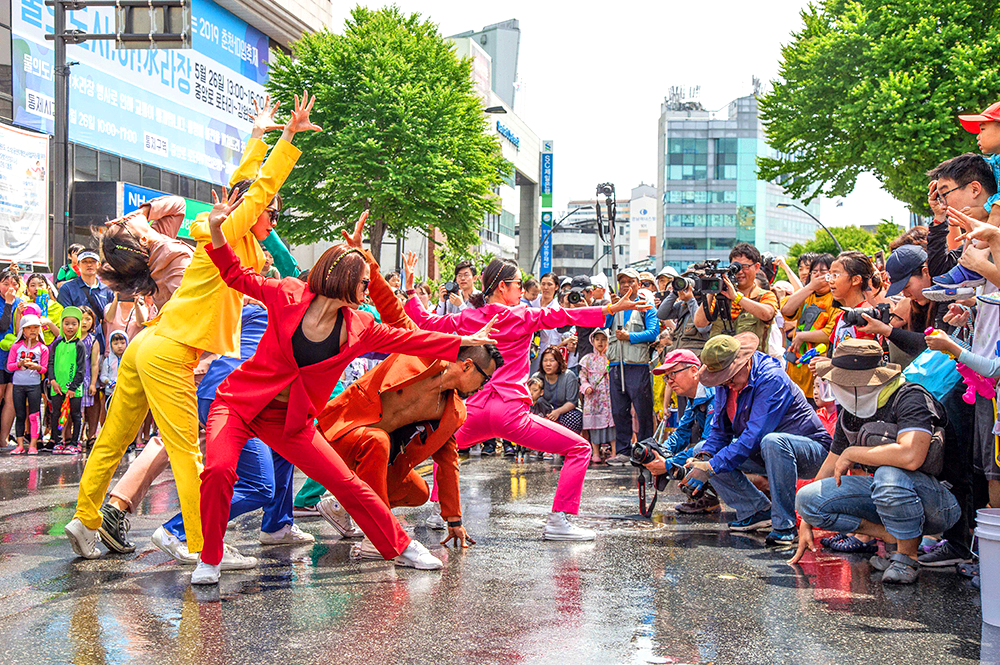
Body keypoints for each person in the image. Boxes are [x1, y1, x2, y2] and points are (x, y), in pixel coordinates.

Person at [64, 93, 309, 562]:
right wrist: (289, 138)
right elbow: (255, 189)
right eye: (271, 211)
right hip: (170, 352)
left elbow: (243, 186)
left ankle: (84, 519)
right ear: (252, 210)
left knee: (113, 440)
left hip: (149, 345)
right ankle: (203, 548)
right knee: (185, 454)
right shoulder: (229, 231)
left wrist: (259, 135)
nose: (274, 217)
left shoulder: (222, 231)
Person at [192, 207, 496, 585]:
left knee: (347, 484)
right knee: (219, 470)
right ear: (345, 279)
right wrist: (217, 229)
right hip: (239, 403)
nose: (368, 290)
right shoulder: (287, 294)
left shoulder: (360, 325)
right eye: (365, 282)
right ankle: (209, 558)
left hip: (289, 420)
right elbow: (236, 275)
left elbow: (408, 338)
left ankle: (402, 546)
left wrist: (462, 342)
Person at [405, 257, 652, 541]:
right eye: (518, 284)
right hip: (510, 412)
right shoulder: (522, 315)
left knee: (444, 448)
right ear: (502, 287)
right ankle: (558, 520)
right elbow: (566, 316)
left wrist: (411, 291)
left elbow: (425, 321)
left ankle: (439, 510)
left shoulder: (469, 317)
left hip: (474, 410)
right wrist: (610, 308)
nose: (522, 290)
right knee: (579, 449)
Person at [316, 250, 501, 555]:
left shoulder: (454, 411)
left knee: (418, 491)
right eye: (484, 378)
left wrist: (454, 519)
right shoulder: (423, 351)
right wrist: (367, 259)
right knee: (377, 441)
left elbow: (448, 462)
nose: (484, 386)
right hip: (342, 433)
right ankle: (377, 534)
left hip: (375, 458)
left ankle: (343, 506)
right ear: (467, 366)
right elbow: (393, 310)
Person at [792, 339, 960, 584]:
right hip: (888, 493)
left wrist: (853, 453)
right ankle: (893, 538)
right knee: (808, 498)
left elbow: (911, 456)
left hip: (938, 502)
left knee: (889, 473)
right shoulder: (852, 409)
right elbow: (830, 466)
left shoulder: (910, 397)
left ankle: (907, 557)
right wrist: (805, 521)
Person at [690, 332, 831, 545]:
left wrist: (710, 467)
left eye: (730, 378)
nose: (727, 385)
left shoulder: (771, 378)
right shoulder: (726, 385)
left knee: (772, 442)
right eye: (722, 381)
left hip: (811, 453)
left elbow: (753, 437)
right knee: (702, 449)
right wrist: (703, 458)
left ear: (745, 363)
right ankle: (756, 511)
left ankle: (785, 525)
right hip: (766, 451)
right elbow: (719, 432)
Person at [922, 102, 1000, 300]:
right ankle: (965, 271)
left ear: (975, 188)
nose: (978, 136)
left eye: (983, 129)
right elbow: (939, 269)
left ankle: (967, 270)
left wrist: (981, 265)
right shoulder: (993, 161)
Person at [642, 349, 719, 513]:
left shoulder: (714, 394)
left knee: (700, 451)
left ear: (694, 370)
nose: (669, 381)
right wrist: (658, 451)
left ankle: (759, 490)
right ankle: (708, 499)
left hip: (744, 453)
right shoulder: (694, 397)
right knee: (691, 454)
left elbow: (710, 444)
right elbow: (681, 434)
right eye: (666, 377)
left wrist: (668, 464)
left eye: (673, 374)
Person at [604, 268, 659, 466]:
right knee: (619, 410)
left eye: (630, 281)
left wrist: (630, 337)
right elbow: (604, 325)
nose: (626, 285)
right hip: (616, 364)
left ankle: (645, 449)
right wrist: (612, 308)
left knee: (643, 409)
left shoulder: (645, 305)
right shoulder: (615, 305)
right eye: (623, 282)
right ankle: (623, 451)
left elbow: (653, 332)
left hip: (637, 364)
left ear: (638, 283)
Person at [694, 243, 778, 352]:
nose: (740, 272)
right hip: (719, 359)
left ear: (757, 267)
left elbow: (767, 314)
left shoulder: (765, 295)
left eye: (744, 267)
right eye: (735, 267)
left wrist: (736, 297)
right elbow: (700, 323)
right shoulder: (720, 296)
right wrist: (711, 290)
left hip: (750, 360)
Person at [780, 253, 837, 403]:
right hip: (796, 372)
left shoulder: (837, 298)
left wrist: (802, 336)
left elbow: (830, 333)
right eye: (814, 272)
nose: (818, 275)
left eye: (823, 272)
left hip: (818, 373)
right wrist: (810, 286)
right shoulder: (806, 294)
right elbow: (786, 310)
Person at [56, 251, 113, 355]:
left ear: (98, 265)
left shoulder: (107, 290)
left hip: (99, 344)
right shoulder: (67, 288)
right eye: (85, 262)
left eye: (93, 261)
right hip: (74, 346)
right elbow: (66, 317)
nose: (89, 265)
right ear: (78, 265)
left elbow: (109, 319)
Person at [6, 315, 47, 455]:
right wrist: (19, 364)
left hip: (34, 385)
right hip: (18, 385)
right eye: (28, 327)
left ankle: (33, 445)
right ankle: (20, 444)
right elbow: (9, 366)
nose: (32, 330)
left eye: (35, 327)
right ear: (23, 330)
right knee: (20, 414)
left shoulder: (43, 348)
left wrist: (36, 367)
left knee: (34, 415)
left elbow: (44, 368)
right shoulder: (16, 347)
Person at [47, 307, 86, 455]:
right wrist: (52, 380)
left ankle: (74, 442)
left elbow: (81, 369)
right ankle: (58, 441)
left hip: (74, 389)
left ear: (78, 325)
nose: (70, 327)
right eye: (67, 323)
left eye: (74, 324)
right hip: (57, 387)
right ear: (62, 325)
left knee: (75, 415)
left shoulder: (79, 346)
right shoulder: (57, 344)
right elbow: (51, 363)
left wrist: (73, 387)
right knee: (56, 414)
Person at [579, 328, 614, 464]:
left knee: (612, 424)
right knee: (594, 425)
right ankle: (595, 451)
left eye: (604, 339)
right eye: (597, 339)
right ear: (592, 341)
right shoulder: (587, 359)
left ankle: (614, 451)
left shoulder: (611, 357)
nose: (600, 342)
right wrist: (586, 386)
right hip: (594, 397)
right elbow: (582, 377)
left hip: (609, 395)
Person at [534, 347, 582, 434]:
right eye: (545, 361)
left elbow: (572, 402)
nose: (548, 364)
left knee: (574, 417)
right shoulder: (537, 377)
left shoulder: (569, 376)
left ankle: (568, 440)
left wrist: (558, 412)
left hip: (564, 413)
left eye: (552, 361)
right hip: (543, 414)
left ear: (559, 362)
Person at [0, 269, 23, 446]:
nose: (10, 287)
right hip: (0, 357)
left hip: (16, 359)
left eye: (14, 284)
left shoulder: (22, 303)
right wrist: (8, 303)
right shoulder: (6, 302)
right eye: (5, 283)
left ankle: (4, 438)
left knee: (12, 399)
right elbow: (2, 326)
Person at [75, 307, 102, 451]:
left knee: (89, 407)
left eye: (88, 319)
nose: (84, 322)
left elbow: (94, 363)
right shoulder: (69, 338)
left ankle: (91, 435)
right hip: (72, 379)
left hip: (86, 379)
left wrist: (93, 383)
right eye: (81, 319)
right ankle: (75, 436)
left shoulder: (93, 341)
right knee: (75, 410)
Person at [16, 273, 64, 344]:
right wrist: (18, 313)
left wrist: (49, 323)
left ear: (47, 288)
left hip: (49, 345)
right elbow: (18, 333)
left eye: (40, 285)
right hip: (29, 346)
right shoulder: (25, 306)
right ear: (28, 289)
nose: (37, 288)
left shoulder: (56, 307)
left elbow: (61, 335)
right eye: (32, 285)